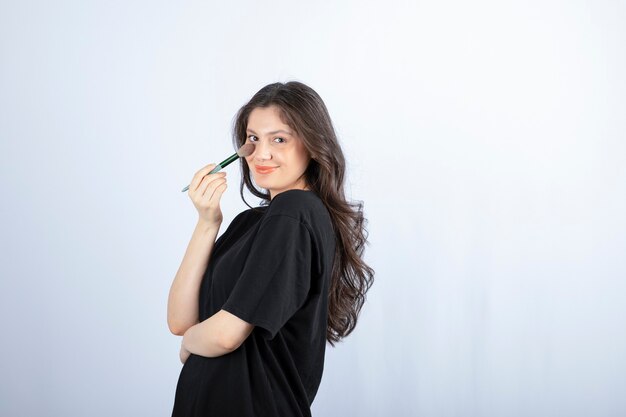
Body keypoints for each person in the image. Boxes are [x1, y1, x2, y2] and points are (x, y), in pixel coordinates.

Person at [167, 81, 374, 417]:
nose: (261, 154)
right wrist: (207, 222)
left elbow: (226, 335)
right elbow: (179, 319)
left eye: (279, 139)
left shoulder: (294, 212)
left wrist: (191, 342)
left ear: (311, 143)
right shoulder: (251, 223)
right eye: (253, 139)